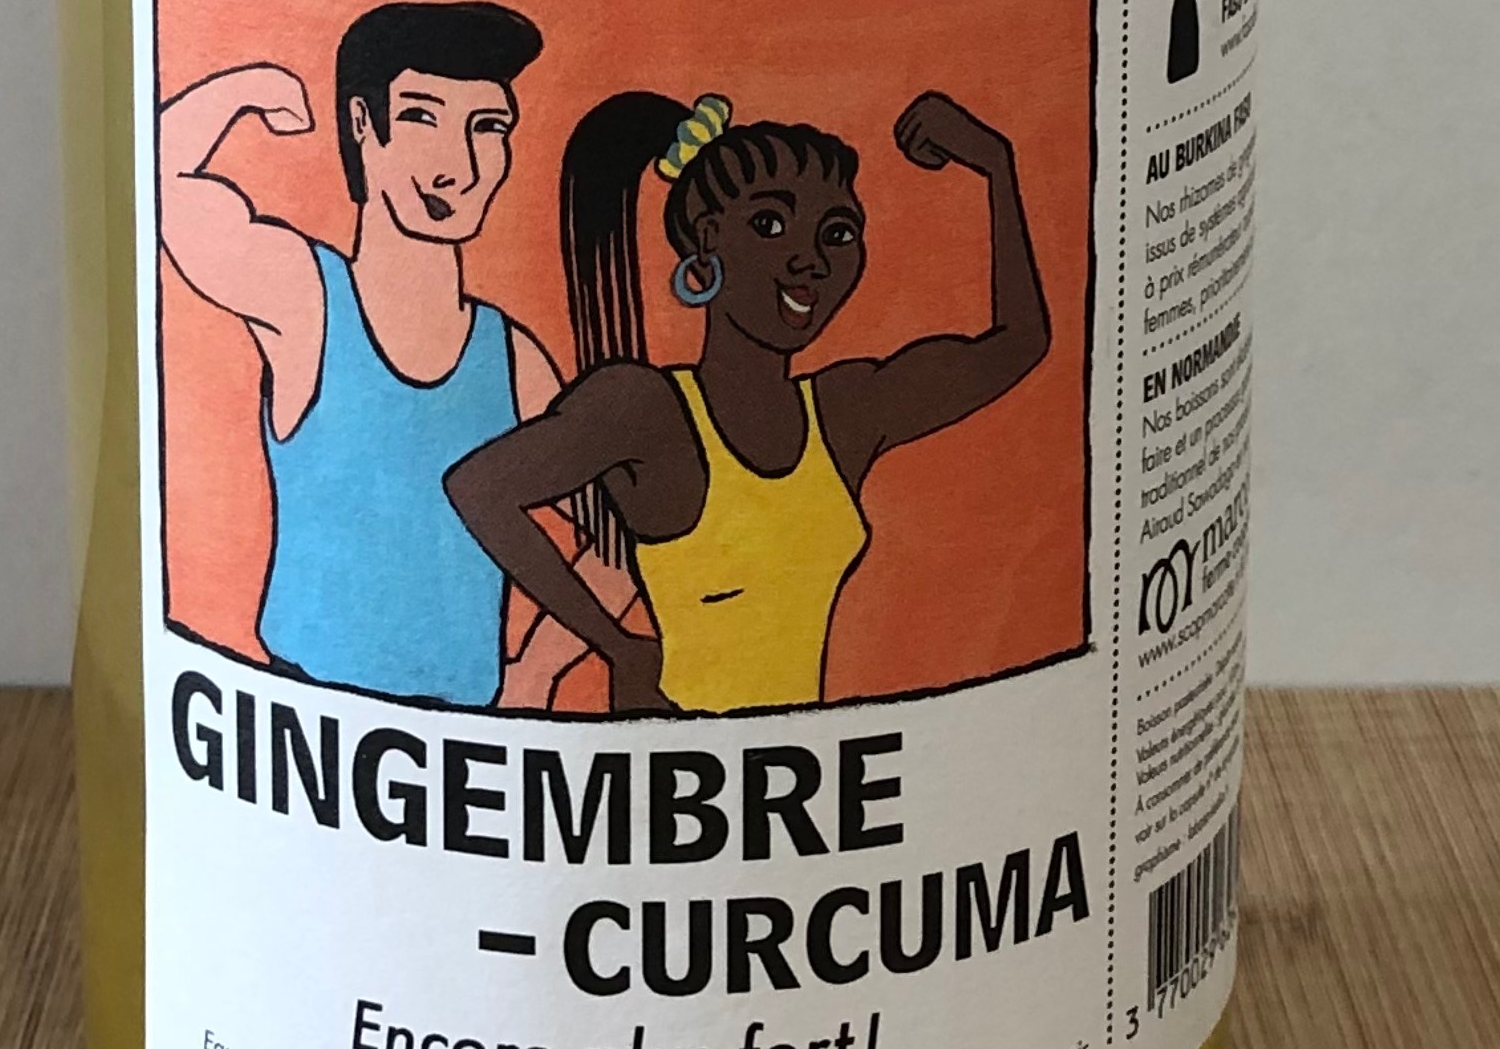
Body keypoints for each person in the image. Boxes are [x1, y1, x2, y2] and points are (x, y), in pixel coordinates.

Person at [443, 81, 1053, 714]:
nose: (810, 260)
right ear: (708, 241)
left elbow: (1018, 345)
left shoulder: (844, 411)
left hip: (795, 753)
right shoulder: (647, 409)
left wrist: (996, 164)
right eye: (769, 225)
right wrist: (617, 646)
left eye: (838, 233)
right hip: (676, 752)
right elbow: (481, 488)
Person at [158, 0, 579, 710]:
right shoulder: (307, 298)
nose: (458, 166)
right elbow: (161, 187)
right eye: (421, 118)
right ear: (362, 125)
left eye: (488, 126)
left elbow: (623, 535)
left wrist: (537, 670)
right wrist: (248, 90)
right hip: (304, 718)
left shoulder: (512, 360)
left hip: (466, 730)